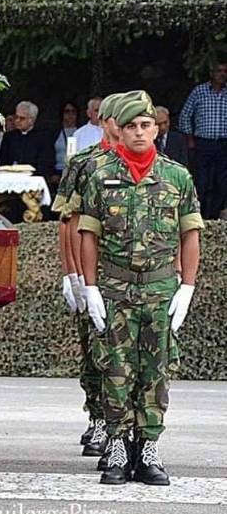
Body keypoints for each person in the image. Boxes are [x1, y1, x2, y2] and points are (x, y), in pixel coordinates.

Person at [79, 92, 202, 486]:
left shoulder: (177, 176)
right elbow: (88, 235)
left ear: (156, 128)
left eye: (145, 125)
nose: (138, 132)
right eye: (130, 126)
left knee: (155, 373)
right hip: (115, 288)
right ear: (121, 129)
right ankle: (117, 447)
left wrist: (187, 286)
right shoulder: (100, 176)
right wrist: (90, 287)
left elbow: (190, 233)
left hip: (161, 288)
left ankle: (147, 449)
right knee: (115, 369)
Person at [53, 93, 123, 457]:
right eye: (119, 120)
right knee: (94, 349)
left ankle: (123, 431)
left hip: (127, 275)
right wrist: (73, 275)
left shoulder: (150, 165)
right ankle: (97, 417)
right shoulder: (83, 163)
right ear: (105, 123)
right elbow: (69, 222)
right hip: (91, 273)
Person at [178, 57, 227, 219]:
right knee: (202, 180)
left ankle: (215, 216)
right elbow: (185, 115)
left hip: (223, 144)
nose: (222, 74)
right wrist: (190, 138)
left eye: (225, 71)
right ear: (212, 73)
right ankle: (199, 215)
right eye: (219, 71)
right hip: (203, 143)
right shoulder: (199, 91)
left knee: (222, 181)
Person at [0, 101, 54, 179]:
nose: (17, 120)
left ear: (32, 120)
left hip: (34, 179)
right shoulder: (9, 137)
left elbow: (45, 163)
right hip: (9, 178)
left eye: (22, 118)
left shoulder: (43, 138)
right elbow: (2, 161)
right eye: (16, 117)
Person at [53, 99, 80, 174]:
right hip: (59, 170)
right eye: (67, 111)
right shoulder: (54, 133)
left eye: (73, 111)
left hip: (77, 171)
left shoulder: (82, 133)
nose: (70, 114)